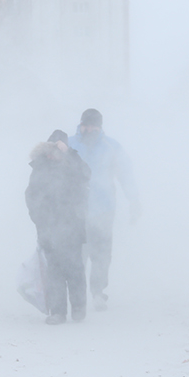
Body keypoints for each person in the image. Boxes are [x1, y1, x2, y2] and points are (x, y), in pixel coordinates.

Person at [69, 109, 140, 311]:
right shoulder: (70, 145)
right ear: (80, 125)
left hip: (103, 210)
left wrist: (134, 199)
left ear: (100, 128)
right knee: (77, 255)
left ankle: (98, 293)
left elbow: (126, 174)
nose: (89, 129)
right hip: (75, 210)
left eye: (93, 126)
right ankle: (77, 293)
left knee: (101, 255)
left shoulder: (111, 147)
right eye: (86, 125)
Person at [25, 129, 92, 325]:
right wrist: (38, 219)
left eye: (59, 149)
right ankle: (58, 312)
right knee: (54, 270)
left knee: (74, 267)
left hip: (73, 226)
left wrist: (70, 153)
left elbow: (86, 175)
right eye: (51, 149)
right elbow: (30, 196)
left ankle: (78, 308)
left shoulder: (73, 164)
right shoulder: (39, 168)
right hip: (48, 228)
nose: (54, 153)